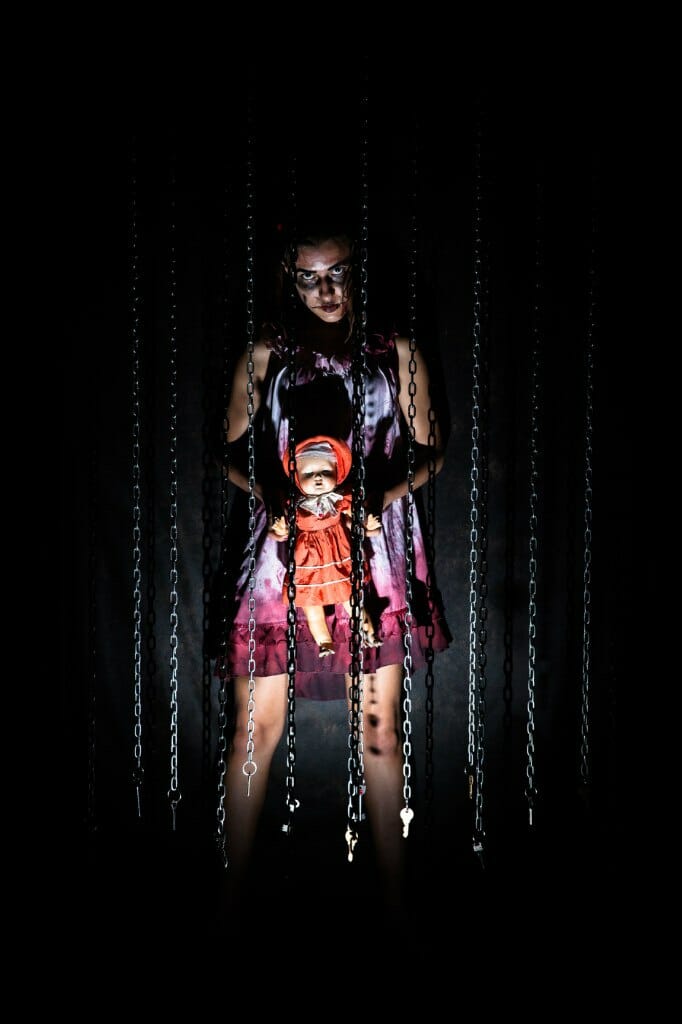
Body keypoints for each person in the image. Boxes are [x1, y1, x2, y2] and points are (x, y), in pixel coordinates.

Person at [218, 216, 451, 919]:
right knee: (252, 731)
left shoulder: (397, 351)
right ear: (289, 283)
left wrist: (383, 495)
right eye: (309, 278)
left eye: (338, 273)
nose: (326, 291)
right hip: (285, 555)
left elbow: (433, 450)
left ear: (360, 271)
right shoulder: (266, 355)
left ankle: (398, 909)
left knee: (380, 732)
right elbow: (225, 450)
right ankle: (225, 905)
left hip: (373, 551)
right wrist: (268, 494)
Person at [269, 433, 383, 656]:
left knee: (352, 600)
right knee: (312, 607)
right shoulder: (295, 506)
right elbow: (283, 530)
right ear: (297, 477)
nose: (318, 478)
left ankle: (368, 633)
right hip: (308, 562)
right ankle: (324, 641)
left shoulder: (340, 500)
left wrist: (367, 522)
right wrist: (281, 529)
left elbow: (357, 517)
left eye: (326, 472)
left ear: (337, 473)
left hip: (338, 557)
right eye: (308, 474)